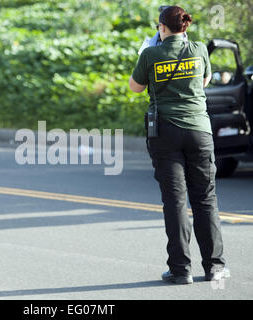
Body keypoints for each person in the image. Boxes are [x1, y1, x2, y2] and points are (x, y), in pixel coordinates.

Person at [129, 6, 230, 284]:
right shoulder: (199, 50)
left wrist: (144, 52)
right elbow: (205, 80)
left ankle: (180, 269)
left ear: (161, 28)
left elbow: (135, 87)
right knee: (205, 199)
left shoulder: (150, 54)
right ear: (184, 27)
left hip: (165, 132)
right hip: (199, 131)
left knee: (174, 202)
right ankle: (215, 267)